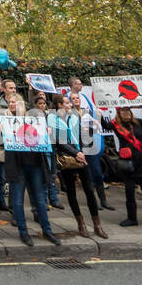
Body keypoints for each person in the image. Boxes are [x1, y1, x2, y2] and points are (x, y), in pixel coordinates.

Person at [0, 96, 60, 246]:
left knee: (40, 200)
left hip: (35, 165)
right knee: (18, 201)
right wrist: (1, 132)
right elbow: (0, 142)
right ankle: (23, 232)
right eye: (15, 106)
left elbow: (42, 139)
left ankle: (47, 230)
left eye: (20, 105)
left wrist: (47, 132)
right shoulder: (7, 123)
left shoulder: (35, 121)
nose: (17, 108)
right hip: (18, 166)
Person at [51, 93, 107, 239]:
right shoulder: (53, 119)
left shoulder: (75, 117)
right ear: (59, 105)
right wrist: (76, 153)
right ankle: (81, 223)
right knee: (71, 192)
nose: (70, 105)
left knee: (89, 190)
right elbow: (60, 141)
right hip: (67, 159)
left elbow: (82, 136)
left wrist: (91, 130)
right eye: (66, 103)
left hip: (81, 156)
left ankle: (97, 224)